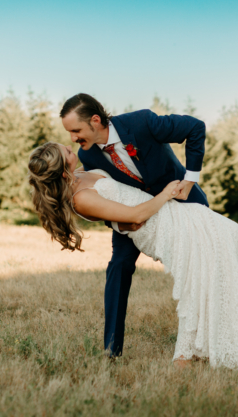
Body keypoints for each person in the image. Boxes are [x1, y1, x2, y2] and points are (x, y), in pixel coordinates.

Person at [28, 141, 238, 369]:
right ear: (62, 167)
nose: (71, 147)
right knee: (201, 273)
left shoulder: (81, 173)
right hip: (161, 227)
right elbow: (135, 215)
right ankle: (186, 355)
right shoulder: (81, 197)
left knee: (230, 236)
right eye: (65, 151)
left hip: (171, 214)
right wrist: (167, 193)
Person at [58, 93, 209, 358]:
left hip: (183, 203)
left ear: (95, 120)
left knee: (203, 267)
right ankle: (111, 349)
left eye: (76, 130)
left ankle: (201, 339)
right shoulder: (88, 155)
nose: (73, 138)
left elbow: (195, 127)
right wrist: (119, 223)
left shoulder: (142, 122)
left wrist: (191, 179)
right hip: (131, 218)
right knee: (119, 266)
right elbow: (100, 198)